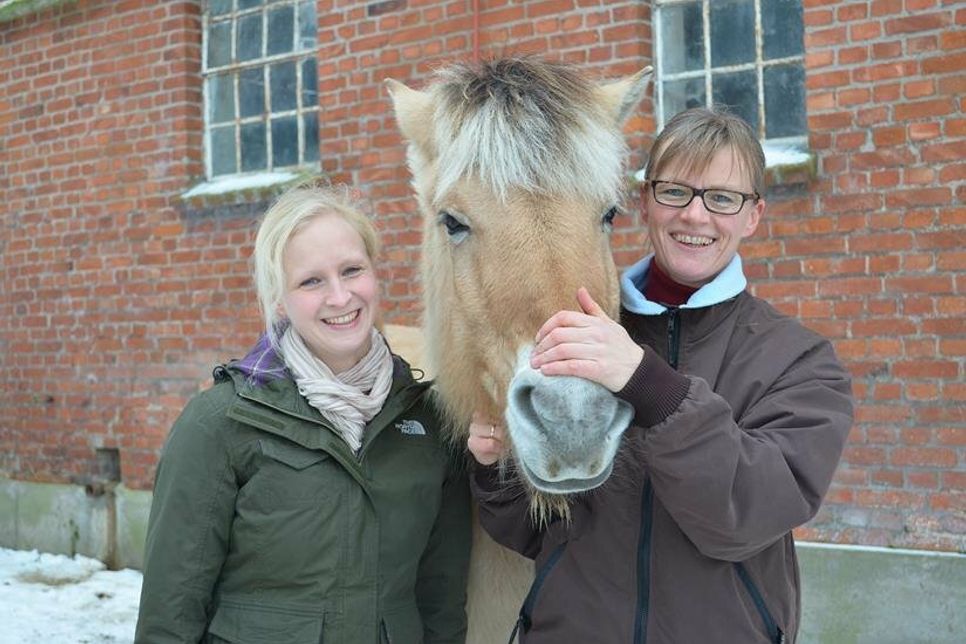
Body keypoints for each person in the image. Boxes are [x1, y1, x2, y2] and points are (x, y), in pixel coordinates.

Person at [467, 107, 854, 643]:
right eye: (675, 191)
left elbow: (749, 512)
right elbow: (537, 535)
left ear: (753, 216)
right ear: (645, 202)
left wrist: (648, 384)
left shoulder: (799, 361)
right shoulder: (575, 332)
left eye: (722, 198)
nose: (696, 216)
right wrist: (496, 467)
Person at [135, 184, 471, 644]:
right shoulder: (221, 423)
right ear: (279, 299)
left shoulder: (428, 423)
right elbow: (169, 615)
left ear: (374, 274)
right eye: (311, 281)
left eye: (352, 270)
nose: (340, 296)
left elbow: (442, 604)